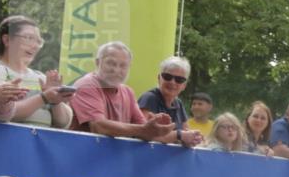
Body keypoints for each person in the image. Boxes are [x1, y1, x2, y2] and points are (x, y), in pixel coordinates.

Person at [69, 41, 203, 147]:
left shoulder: (127, 92)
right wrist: (174, 134)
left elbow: (146, 131)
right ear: (97, 62)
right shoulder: (87, 85)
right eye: (111, 63)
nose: (116, 70)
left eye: (123, 66)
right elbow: (99, 126)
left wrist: (157, 128)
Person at [0, 15, 74, 128]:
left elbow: (63, 123)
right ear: (7, 40)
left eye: (38, 41)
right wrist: (44, 98)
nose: (35, 46)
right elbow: (0, 113)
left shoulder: (41, 77)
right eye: (29, 38)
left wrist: (56, 101)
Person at [137, 56, 190, 128]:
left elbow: (186, 131)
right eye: (167, 77)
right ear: (159, 78)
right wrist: (178, 135)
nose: (172, 82)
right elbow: (143, 131)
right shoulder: (149, 98)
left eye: (179, 79)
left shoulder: (178, 104)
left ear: (184, 86)